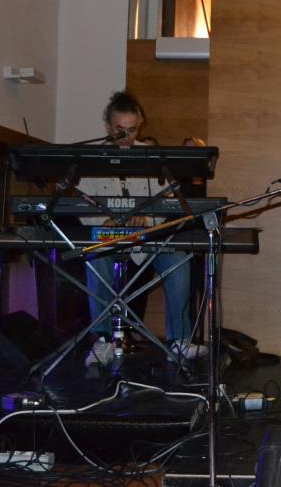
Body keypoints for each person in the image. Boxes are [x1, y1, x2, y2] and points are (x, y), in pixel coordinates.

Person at [79, 91, 202, 362]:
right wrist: (102, 222)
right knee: (94, 256)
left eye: (132, 130)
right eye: (119, 130)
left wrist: (147, 219)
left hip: (146, 238)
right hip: (108, 238)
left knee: (179, 260)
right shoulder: (91, 159)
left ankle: (179, 340)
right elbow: (81, 202)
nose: (126, 136)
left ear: (140, 126)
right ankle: (102, 339)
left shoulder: (151, 158)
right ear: (108, 127)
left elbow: (168, 200)